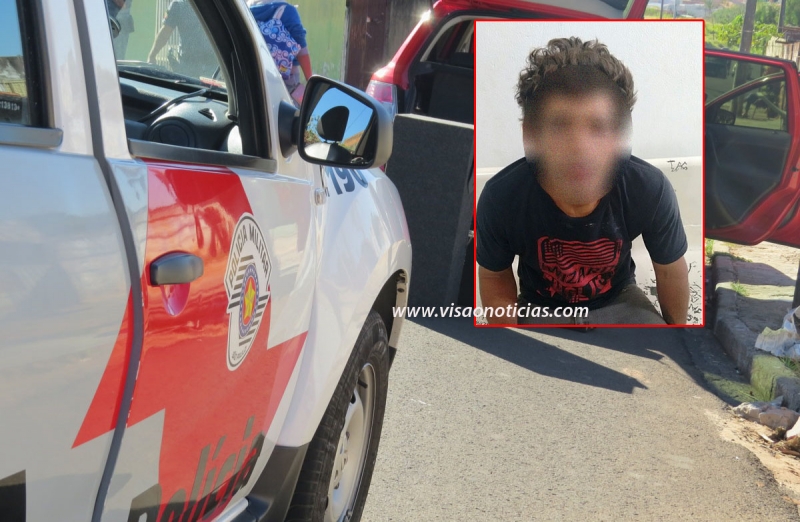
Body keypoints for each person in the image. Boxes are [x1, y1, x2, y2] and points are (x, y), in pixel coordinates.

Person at [476, 37, 689, 326]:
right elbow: (494, 275)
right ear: (532, 134)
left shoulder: (648, 188)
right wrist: (509, 340)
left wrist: (677, 338)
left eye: (598, 127)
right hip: (540, 305)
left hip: (619, 299)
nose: (580, 147)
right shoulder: (502, 197)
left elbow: (669, 270)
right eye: (559, 126)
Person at [249, 1, 312, 100]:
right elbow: (302, 51)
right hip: (286, 79)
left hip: (254, 76)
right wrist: (311, 81)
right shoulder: (288, 11)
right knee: (294, 107)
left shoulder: (247, 10)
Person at [147, 0, 216, 78]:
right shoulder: (216, 6)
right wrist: (152, 55)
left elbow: (165, 33)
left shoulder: (178, 5)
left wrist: (152, 56)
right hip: (210, 67)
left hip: (190, 66)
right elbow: (165, 33)